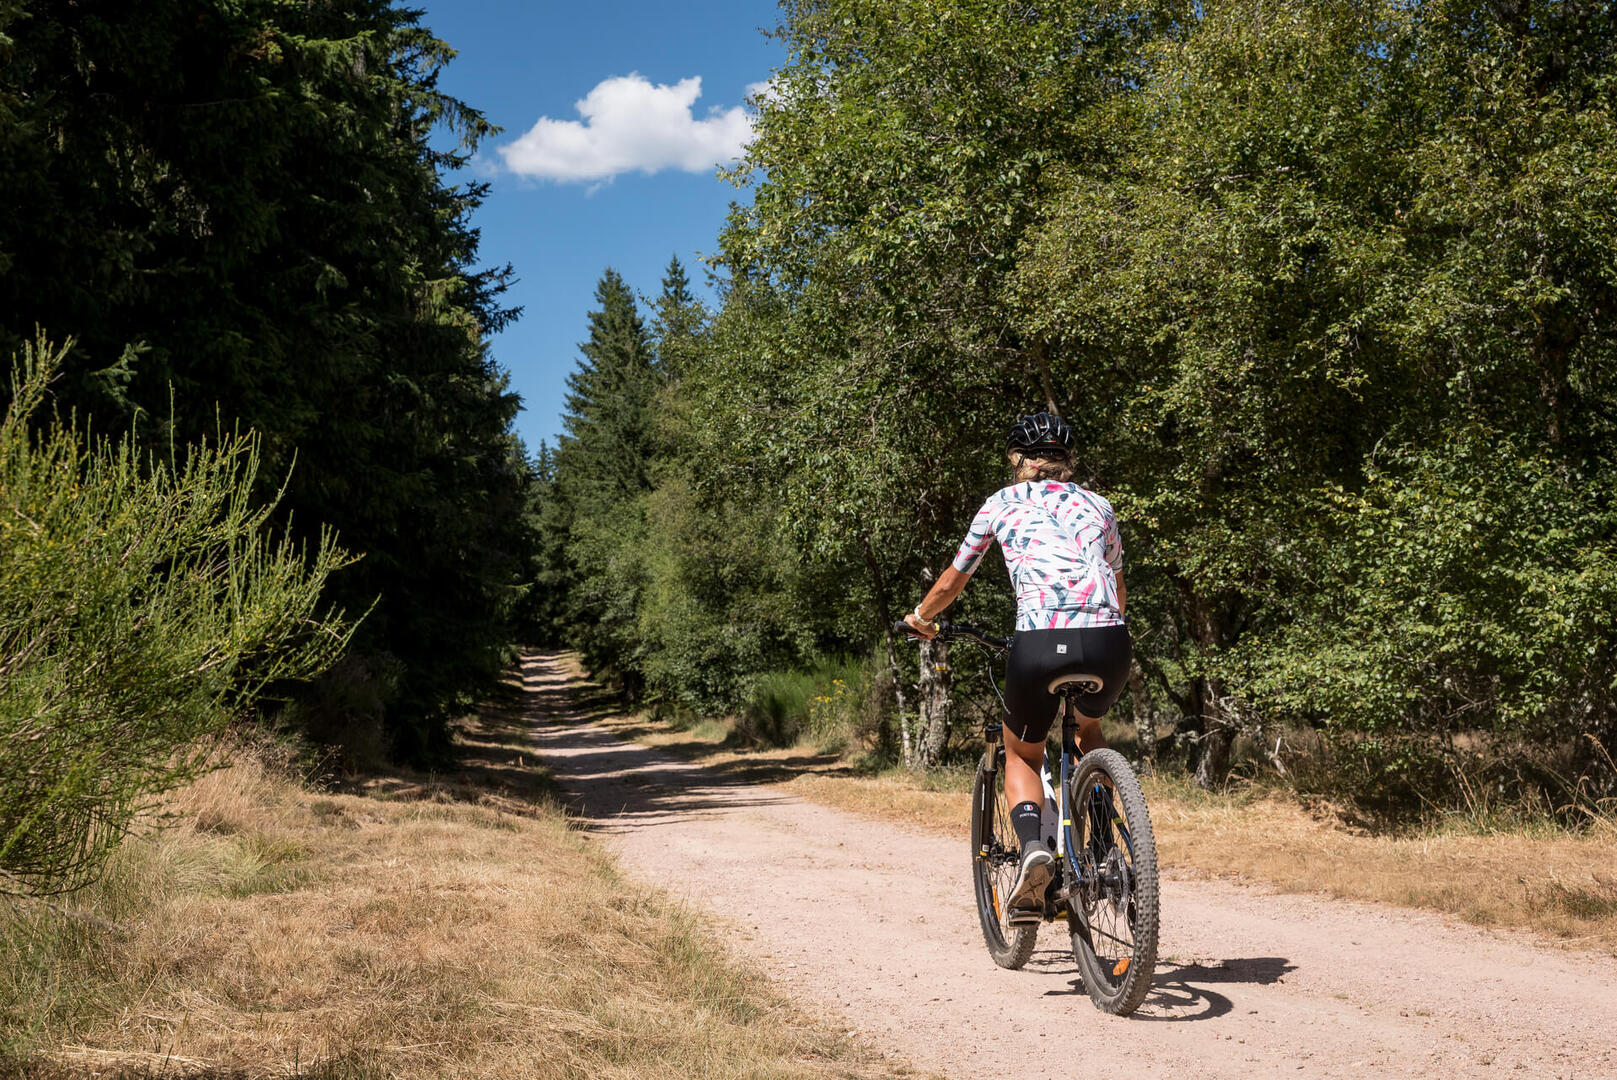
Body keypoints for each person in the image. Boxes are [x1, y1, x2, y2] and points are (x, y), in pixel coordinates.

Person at [904, 411, 1132, 922]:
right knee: (1088, 728)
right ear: (1067, 462)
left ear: (1017, 461)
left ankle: (1033, 848)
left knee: (1022, 753)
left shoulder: (1000, 503)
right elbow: (1116, 580)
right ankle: (1102, 838)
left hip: (1039, 642)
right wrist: (1110, 625)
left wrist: (921, 617)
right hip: (1109, 641)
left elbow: (952, 580)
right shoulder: (1100, 505)